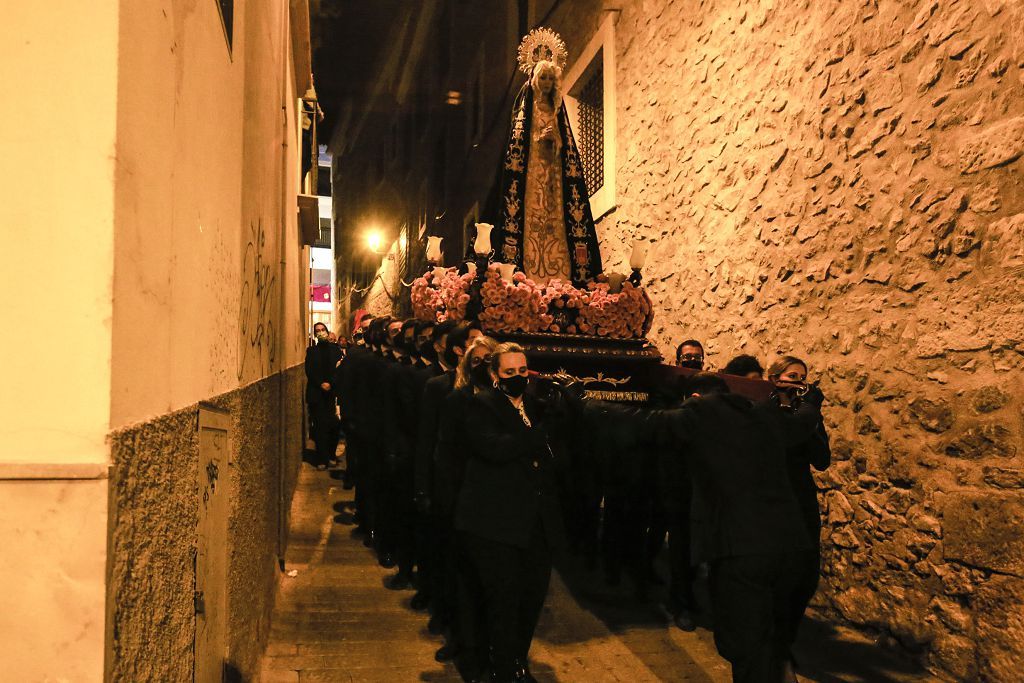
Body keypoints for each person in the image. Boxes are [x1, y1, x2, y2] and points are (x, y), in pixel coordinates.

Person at [608, 372, 825, 683]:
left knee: (745, 646)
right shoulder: (766, 414)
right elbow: (803, 421)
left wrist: (582, 402)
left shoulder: (701, 413)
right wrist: (811, 400)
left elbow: (640, 422)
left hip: (741, 551)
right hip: (790, 549)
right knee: (773, 642)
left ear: (694, 399)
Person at [455, 342, 567, 682]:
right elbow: (495, 448)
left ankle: (518, 659)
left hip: (536, 523)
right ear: (494, 375)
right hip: (495, 522)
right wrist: (538, 436)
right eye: (510, 372)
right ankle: (502, 667)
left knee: (531, 597)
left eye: (523, 371)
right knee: (502, 598)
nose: (518, 378)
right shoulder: (480, 405)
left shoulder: (537, 406)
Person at [494, 28, 603, 286]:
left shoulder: (557, 109)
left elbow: (567, 150)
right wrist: (537, 138)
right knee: (532, 219)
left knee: (554, 222)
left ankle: (560, 277)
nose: (546, 84)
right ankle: (526, 277)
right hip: (531, 176)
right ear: (534, 79)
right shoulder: (525, 104)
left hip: (553, 178)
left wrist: (555, 140)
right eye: (542, 78)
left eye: (550, 80)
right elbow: (517, 143)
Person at [765, 356, 832, 683]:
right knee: (780, 578)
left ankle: (783, 641)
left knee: (805, 576)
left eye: (803, 377)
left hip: (801, 500)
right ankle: (777, 649)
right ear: (775, 378)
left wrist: (814, 420)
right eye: (793, 376)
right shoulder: (762, 410)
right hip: (773, 501)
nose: (800, 382)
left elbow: (822, 460)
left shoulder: (806, 415)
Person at [304, 322, 342, 470]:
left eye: (322, 330)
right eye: (317, 331)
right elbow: (310, 370)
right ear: (315, 334)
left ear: (327, 331)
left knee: (334, 426)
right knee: (320, 427)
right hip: (317, 394)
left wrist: (331, 383)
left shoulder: (335, 349)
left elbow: (339, 369)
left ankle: (331, 454)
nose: (320, 332)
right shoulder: (311, 351)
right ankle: (322, 458)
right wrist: (321, 383)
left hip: (332, 393)